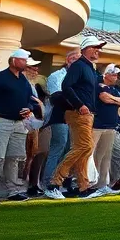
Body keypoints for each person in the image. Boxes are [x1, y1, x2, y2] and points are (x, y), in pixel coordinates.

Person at [0, 49, 42, 202]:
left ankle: (12, 191)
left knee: (14, 158)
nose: (26, 63)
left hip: (19, 124)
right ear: (14, 61)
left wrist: (30, 108)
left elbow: (30, 100)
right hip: (1, 122)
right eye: (24, 60)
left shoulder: (23, 80)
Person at [44, 36, 104, 199]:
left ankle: (83, 187)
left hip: (86, 114)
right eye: (95, 47)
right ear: (86, 49)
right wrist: (80, 105)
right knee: (84, 147)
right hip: (78, 113)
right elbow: (66, 86)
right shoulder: (78, 66)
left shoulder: (89, 68)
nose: (98, 50)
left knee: (84, 148)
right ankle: (54, 183)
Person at [39, 48, 80, 189]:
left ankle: (62, 180)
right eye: (75, 59)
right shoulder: (57, 75)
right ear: (68, 60)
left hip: (75, 118)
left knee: (69, 149)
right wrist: (77, 104)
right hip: (60, 116)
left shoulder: (77, 77)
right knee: (58, 147)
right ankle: (48, 182)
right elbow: (57, 96)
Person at [88, 64, 120, 198]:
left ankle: (102, 185)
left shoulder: (116, 89)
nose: (116, 77)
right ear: (106, 75)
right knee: (94, 156)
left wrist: (114, 99)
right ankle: (90, 185)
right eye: (113, 74)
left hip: (111, 127)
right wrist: (117, 100)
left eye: (117, 74)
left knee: (107, 157)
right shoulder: (99, 86)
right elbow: (103, 98)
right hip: (97, 126)